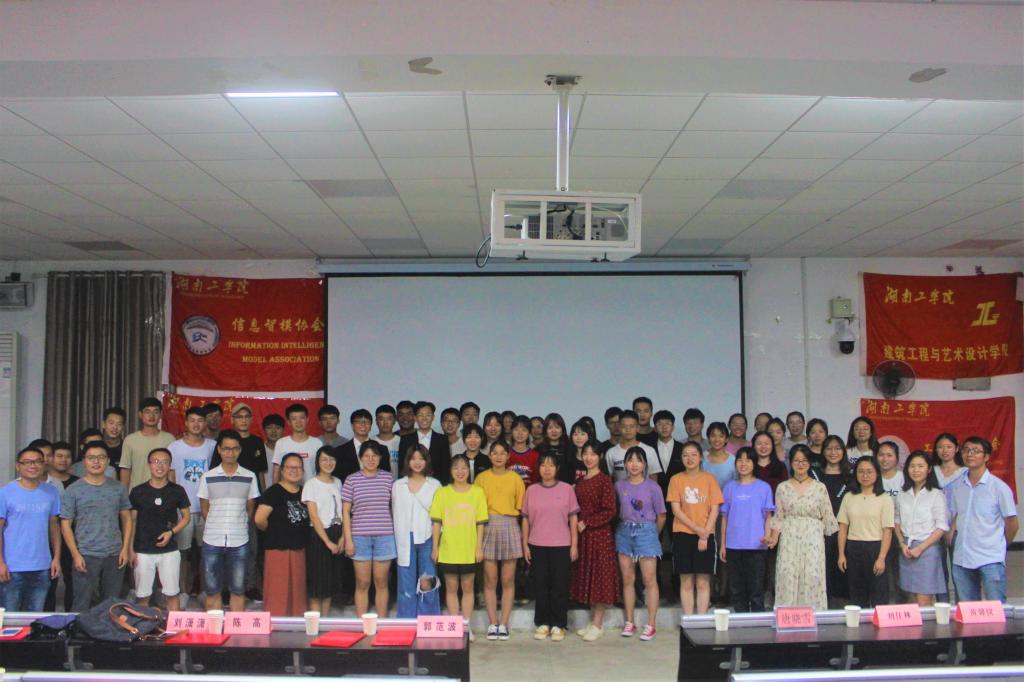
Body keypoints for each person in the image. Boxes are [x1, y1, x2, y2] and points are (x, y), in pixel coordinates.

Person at [61, 442, 133, 612]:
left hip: (114, 554)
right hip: (86, 554)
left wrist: (125, 549)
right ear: (84, 462)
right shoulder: (73, 490)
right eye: (91, 458)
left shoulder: (118, 488)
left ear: (108, 461)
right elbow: (65, 525)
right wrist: (75, 554)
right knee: (81, 603)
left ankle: (107, 630)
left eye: (101, 457)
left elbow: (127, 518)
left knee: (112, 604)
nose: (96, 462)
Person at [946, 436, 1018, 603]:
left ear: (986, 457)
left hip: (990, 558)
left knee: (996, 608)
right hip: (962, 558)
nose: (970, 454)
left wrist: (1001, 544)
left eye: (975, 451)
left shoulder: (999, 487)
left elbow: (1012, 523)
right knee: (968, 610)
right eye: (966, 450)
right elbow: (958, 514)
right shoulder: (958, 485)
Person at [769, 445, 838, 610]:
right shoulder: (783, 487)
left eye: (804, 461)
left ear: (810, 463)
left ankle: (813, 616)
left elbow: (828, 518)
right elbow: (779, 517)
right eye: (796, 461)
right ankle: (787, 616)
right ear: (791, 463)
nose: (800, 464)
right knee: (787, 574)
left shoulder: (820, 487)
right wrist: (773, 539)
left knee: (812, 575)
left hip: (813, 537)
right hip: (789, 536)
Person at [199, 430, 259, 613]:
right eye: (226, 449)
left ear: (240, 450)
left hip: (239, 539)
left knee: (238, 589)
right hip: (212, 539)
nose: (230, 453)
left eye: (234, 449)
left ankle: (236, 628)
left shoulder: (250, 476)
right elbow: (204, 509)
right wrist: (218, 525)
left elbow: (250, 508)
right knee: (212, 589)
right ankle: (214, 629)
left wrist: (236, 524)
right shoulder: (208, 476)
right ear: (219, 450)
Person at [522, 453, 579, 642]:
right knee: (541, 585)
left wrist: (574, 545)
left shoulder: (566, 489)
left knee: (559, 586)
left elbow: (573, 518)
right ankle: (543, 623)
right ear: (538, 468)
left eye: (551, 465)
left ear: (557, 469)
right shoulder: (531, 490)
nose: (547, 469)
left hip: (561, 545)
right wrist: (525, 544)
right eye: (543, 465)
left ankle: (558, 624)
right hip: (537, 544)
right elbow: (525, 519)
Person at [431, 455, 488, 642]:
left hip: (469, 548)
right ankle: (455, 625)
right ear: (450, 471)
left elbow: (481, 524)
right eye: (456, 467)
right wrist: (435, 548)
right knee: (451, 587)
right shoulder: (442, 493)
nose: (460, 471)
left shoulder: (477, 492)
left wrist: (479, 548)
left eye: (464, 468)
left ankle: (466, 625)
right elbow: (436, 523)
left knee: (468, 587)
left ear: (469, 471)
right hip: (448, 548)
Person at [0, 447, 62, 611]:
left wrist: (56, 558)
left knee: (35, 618)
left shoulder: (51, 492)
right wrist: (1, 563)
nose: (32, 466)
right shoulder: (5, 493)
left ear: (44, 464)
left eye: (37, 461)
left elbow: (54, 527)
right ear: (18, 466)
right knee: (10, 619)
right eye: (27, 462)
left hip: (42, 566)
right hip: (12, 568)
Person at [128, 448, 190, 610]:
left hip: (169, 550)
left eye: (164, 462)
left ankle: (174, 625)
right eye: (156, 461)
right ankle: (143, 625)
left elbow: (186, 517)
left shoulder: (177, 490)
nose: (160, 466)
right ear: (149, 465)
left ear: (170, 465)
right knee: (142, 596)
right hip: (142, 550)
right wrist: (130, 549)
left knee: (172, 594)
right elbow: (132, 521)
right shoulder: (137, 491)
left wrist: (171, 532)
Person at [475, 441, 525, 641]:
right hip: (487, 525)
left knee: (508, 579)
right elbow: (477, 507)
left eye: (502, 453)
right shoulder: (481, 478)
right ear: (489, 456)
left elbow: (520, 508)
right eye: (494, 453)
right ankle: (492, 622)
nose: (498, 456)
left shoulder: (515, 479)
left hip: (510, 524)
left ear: (508, 456)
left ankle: (503, 623)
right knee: (490, 579)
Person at [615, 446, 666, 641]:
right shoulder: (619, 486)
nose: (634, 464)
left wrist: (652, 534)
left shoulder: (653, 487)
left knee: (649, 579)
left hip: (647, 532)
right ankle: (629, 622)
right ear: (625, 464)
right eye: (630, 460)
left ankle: (651, 624)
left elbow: (661, 516)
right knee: (627, 579)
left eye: (638, 460)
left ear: (645, 464)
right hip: (624, 532)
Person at [667, 441, 723, 615]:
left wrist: (704, 534)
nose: (689, 458)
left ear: (700, 458)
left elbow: (715, 509)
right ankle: (689, 620)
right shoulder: (676, 479)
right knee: (686, 581)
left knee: (703, 582)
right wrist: (698, 529)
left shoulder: (709, 479)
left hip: (706, 535)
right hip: (682, 534)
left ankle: (701, 620)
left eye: (693, 455)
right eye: (685, 455)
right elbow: (676, 510)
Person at [570, 442, 619, 642]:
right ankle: (592, 622)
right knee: (588, 577)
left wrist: (588, 522)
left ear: (600, 457)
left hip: (600, 536)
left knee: (600, 578)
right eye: (586, 454)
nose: (589, 458)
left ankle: (598, 624)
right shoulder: (580, 481)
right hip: (583, 536)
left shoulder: (604, 481)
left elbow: (610, 510)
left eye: (593, 454)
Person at [342, 441, 396, 617]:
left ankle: (382, 623)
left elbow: (394, 508)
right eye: (366, 456)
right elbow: (346, 512)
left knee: (381, 582)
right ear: (360, 458)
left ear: (380, 458)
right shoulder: (351, 480)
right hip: (359, 537)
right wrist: (348, 540)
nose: (371, 459)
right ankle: (362, 624)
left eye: (374, 456)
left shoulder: (388, 479)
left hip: (385, 536)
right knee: (362, 583)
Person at [719, 447, 774, 612]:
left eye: (748, 460)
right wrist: (723, 545)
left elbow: (768, 516)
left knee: (756, 590)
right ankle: (740, 622)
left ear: (754, 463)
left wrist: (767, 536)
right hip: (734, 546)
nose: (743, 464)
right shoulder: (729, 487)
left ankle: (757, 623)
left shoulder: (764, 487)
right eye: (740, 460)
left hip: (756, 546)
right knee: (737, 590)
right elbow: (724, 518)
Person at [169, 405, 215, 603]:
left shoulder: (213, 446)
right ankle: (183, 591)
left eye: (200, 421)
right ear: (186, 423)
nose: (196, 424)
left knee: (207, 552)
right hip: (183, 509)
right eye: (192, 420)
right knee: (182, 553)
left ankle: (205, 591)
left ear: (205, 424)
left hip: (207, 509)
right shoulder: (174, 447)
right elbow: (171, 478)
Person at [255, 453, 309, 616]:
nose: (294, 471)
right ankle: (276, 624)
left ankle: (296, 625)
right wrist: (275, 530)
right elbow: (259, 520)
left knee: (297, 591)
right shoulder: (273, 492)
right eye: (290, 467)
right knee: (278, 591)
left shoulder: (304, 492)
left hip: (299, 548)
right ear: (282, 470)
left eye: (298, 467)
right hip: (278, 548)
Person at [392, 445, 442, 618]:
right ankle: (406, 623)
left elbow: (439, 516)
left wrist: (436, 545)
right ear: (408, 461)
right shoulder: (398, 485)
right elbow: (394, 512)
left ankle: (429, 621)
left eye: (421, 458)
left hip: (427, 537)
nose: (417, 462)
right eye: (413, 458)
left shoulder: (435, 485)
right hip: (404, 539)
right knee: (405, 583)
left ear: (427, 461)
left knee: (428, 581)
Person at [837, 456, 894, 608]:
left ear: (877, 473)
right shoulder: (849, 497)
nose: (865, 475)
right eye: (861, 471)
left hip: (876, 548)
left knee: (879, 596)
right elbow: (843, 528)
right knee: (857, 596)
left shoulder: (884, 499)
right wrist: (841, 554)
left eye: (869, 471)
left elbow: (887, 531)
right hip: (854, 548)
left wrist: (881, 558)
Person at [893, 451, 948, 606]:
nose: (916, 470)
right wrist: (902, 544)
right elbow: (897, 521)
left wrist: (921, 548)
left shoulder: (936, 494)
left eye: (920, 466)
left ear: (929, 469)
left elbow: (941, 527)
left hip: (927, 550)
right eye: (912, 466)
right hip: (906, 549)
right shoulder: (902, 494)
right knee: (910, 598)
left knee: (923, 600)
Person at [303, 446, 346, 616]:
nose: (328, 463)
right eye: (324, 459)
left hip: (337, 533)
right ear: (317, 462)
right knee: (317, 585)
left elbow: (343, 511)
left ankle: (325, 621)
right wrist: (327, 542)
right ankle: (315, 624)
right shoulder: (311, 484)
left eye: (331, 459)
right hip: (319, 536)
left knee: (329, 584)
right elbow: (314, 516)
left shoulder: (338, 482)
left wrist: (343, 537)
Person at [812, 435, 851, 605]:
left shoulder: (851, 475)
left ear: (843, 451)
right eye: (828, 448)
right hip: (818, 530)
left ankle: (842, 606)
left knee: (842, 569)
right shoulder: (814, 474)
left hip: (844, 530)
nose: (833, 452)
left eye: (837, 448)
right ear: (823, 451)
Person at [43, 441, 78, 611]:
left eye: (67, 456)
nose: (63, 460)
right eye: (59, 456)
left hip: (73, 538)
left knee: (73, 580)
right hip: (50, 538)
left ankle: (71, 617)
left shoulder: (79, 483)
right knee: (50, 581)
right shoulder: (43, 484)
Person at [120, 397, 175, 490]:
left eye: (155, 412)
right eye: (147, 412)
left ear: (161, 415)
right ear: (140, 414)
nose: (151, 416)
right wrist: (124, 496)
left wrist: (172, 492)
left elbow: (172, 470)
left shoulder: (170, 439)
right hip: (137, 494)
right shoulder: (130, 440)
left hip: (164, 493)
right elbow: (125, 470)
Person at [398, 401, 451, 485]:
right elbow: (402, 467)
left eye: (428, 415)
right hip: (412, 486)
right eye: (420, 415)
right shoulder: (405, 440)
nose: (424, 418)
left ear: (433, 417)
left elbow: (445, 469)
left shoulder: (442, 440)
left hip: (436, 487)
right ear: (415, 417)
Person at [605, 410, 660, 483]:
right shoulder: (611, 453)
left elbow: (654, 480)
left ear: (637, 427)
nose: (628, 429)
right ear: (619, 427)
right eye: (624, 426)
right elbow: (608, 480)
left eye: (632, 426)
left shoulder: (649, 451)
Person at [272, 404, 323, 483]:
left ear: (307, 420)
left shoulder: (317, 443)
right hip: (288, 488)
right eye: (294, 419)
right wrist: (275, 489)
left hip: (311, 488)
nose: (298, 422)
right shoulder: (281, 443)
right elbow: (276, 471)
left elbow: (322, 470)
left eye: (301, 418)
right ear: (289, 422)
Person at [335, 408, 386, 483]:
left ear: (371, 426)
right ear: (352, 425)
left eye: (366, 422)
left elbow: (385, 475)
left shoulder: (382, 449)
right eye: (358, 422)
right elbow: (338, 479)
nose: (363, 425)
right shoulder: (339, 451)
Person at [537, 413, 575, 484]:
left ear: (562, 429)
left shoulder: (570, 448)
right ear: (545, 430)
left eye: (557, 427)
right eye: (550, 428)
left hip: (566, 488)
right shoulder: (538, 449)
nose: (554, 431)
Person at [653, 410, 684, 495]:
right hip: (655, 496)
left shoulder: (683, 448)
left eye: (667, 423)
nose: (664, 427)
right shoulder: (650, 449)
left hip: (679, 495)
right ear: (655, 429)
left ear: (673, 427)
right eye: (660, 424)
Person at [507, 415, 540, 486]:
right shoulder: (505, 453)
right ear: (511, 431)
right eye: (516, 429)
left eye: (524, 430)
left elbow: (536, 482)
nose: (520, 433)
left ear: (529, 432)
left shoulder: (535, 456)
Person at [704, 422, 737, 492]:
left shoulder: (733, 460)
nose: (717, 439)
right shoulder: (702, 457)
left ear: (726, 439)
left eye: (721, 436)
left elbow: (736, 485)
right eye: (713, 436)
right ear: (708, 438)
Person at [374, 404, 402, 474]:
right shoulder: (370, 442)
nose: (385, 423)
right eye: (381, 419)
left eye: (389, 419)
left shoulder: (402, 441)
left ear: (394, 421)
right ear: (376, 421)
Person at [569, 419, 598, 484]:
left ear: (589, 436)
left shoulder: (596, 457)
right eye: (575, 434)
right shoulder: (568, 458)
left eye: (582, 434)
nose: (579, 437)